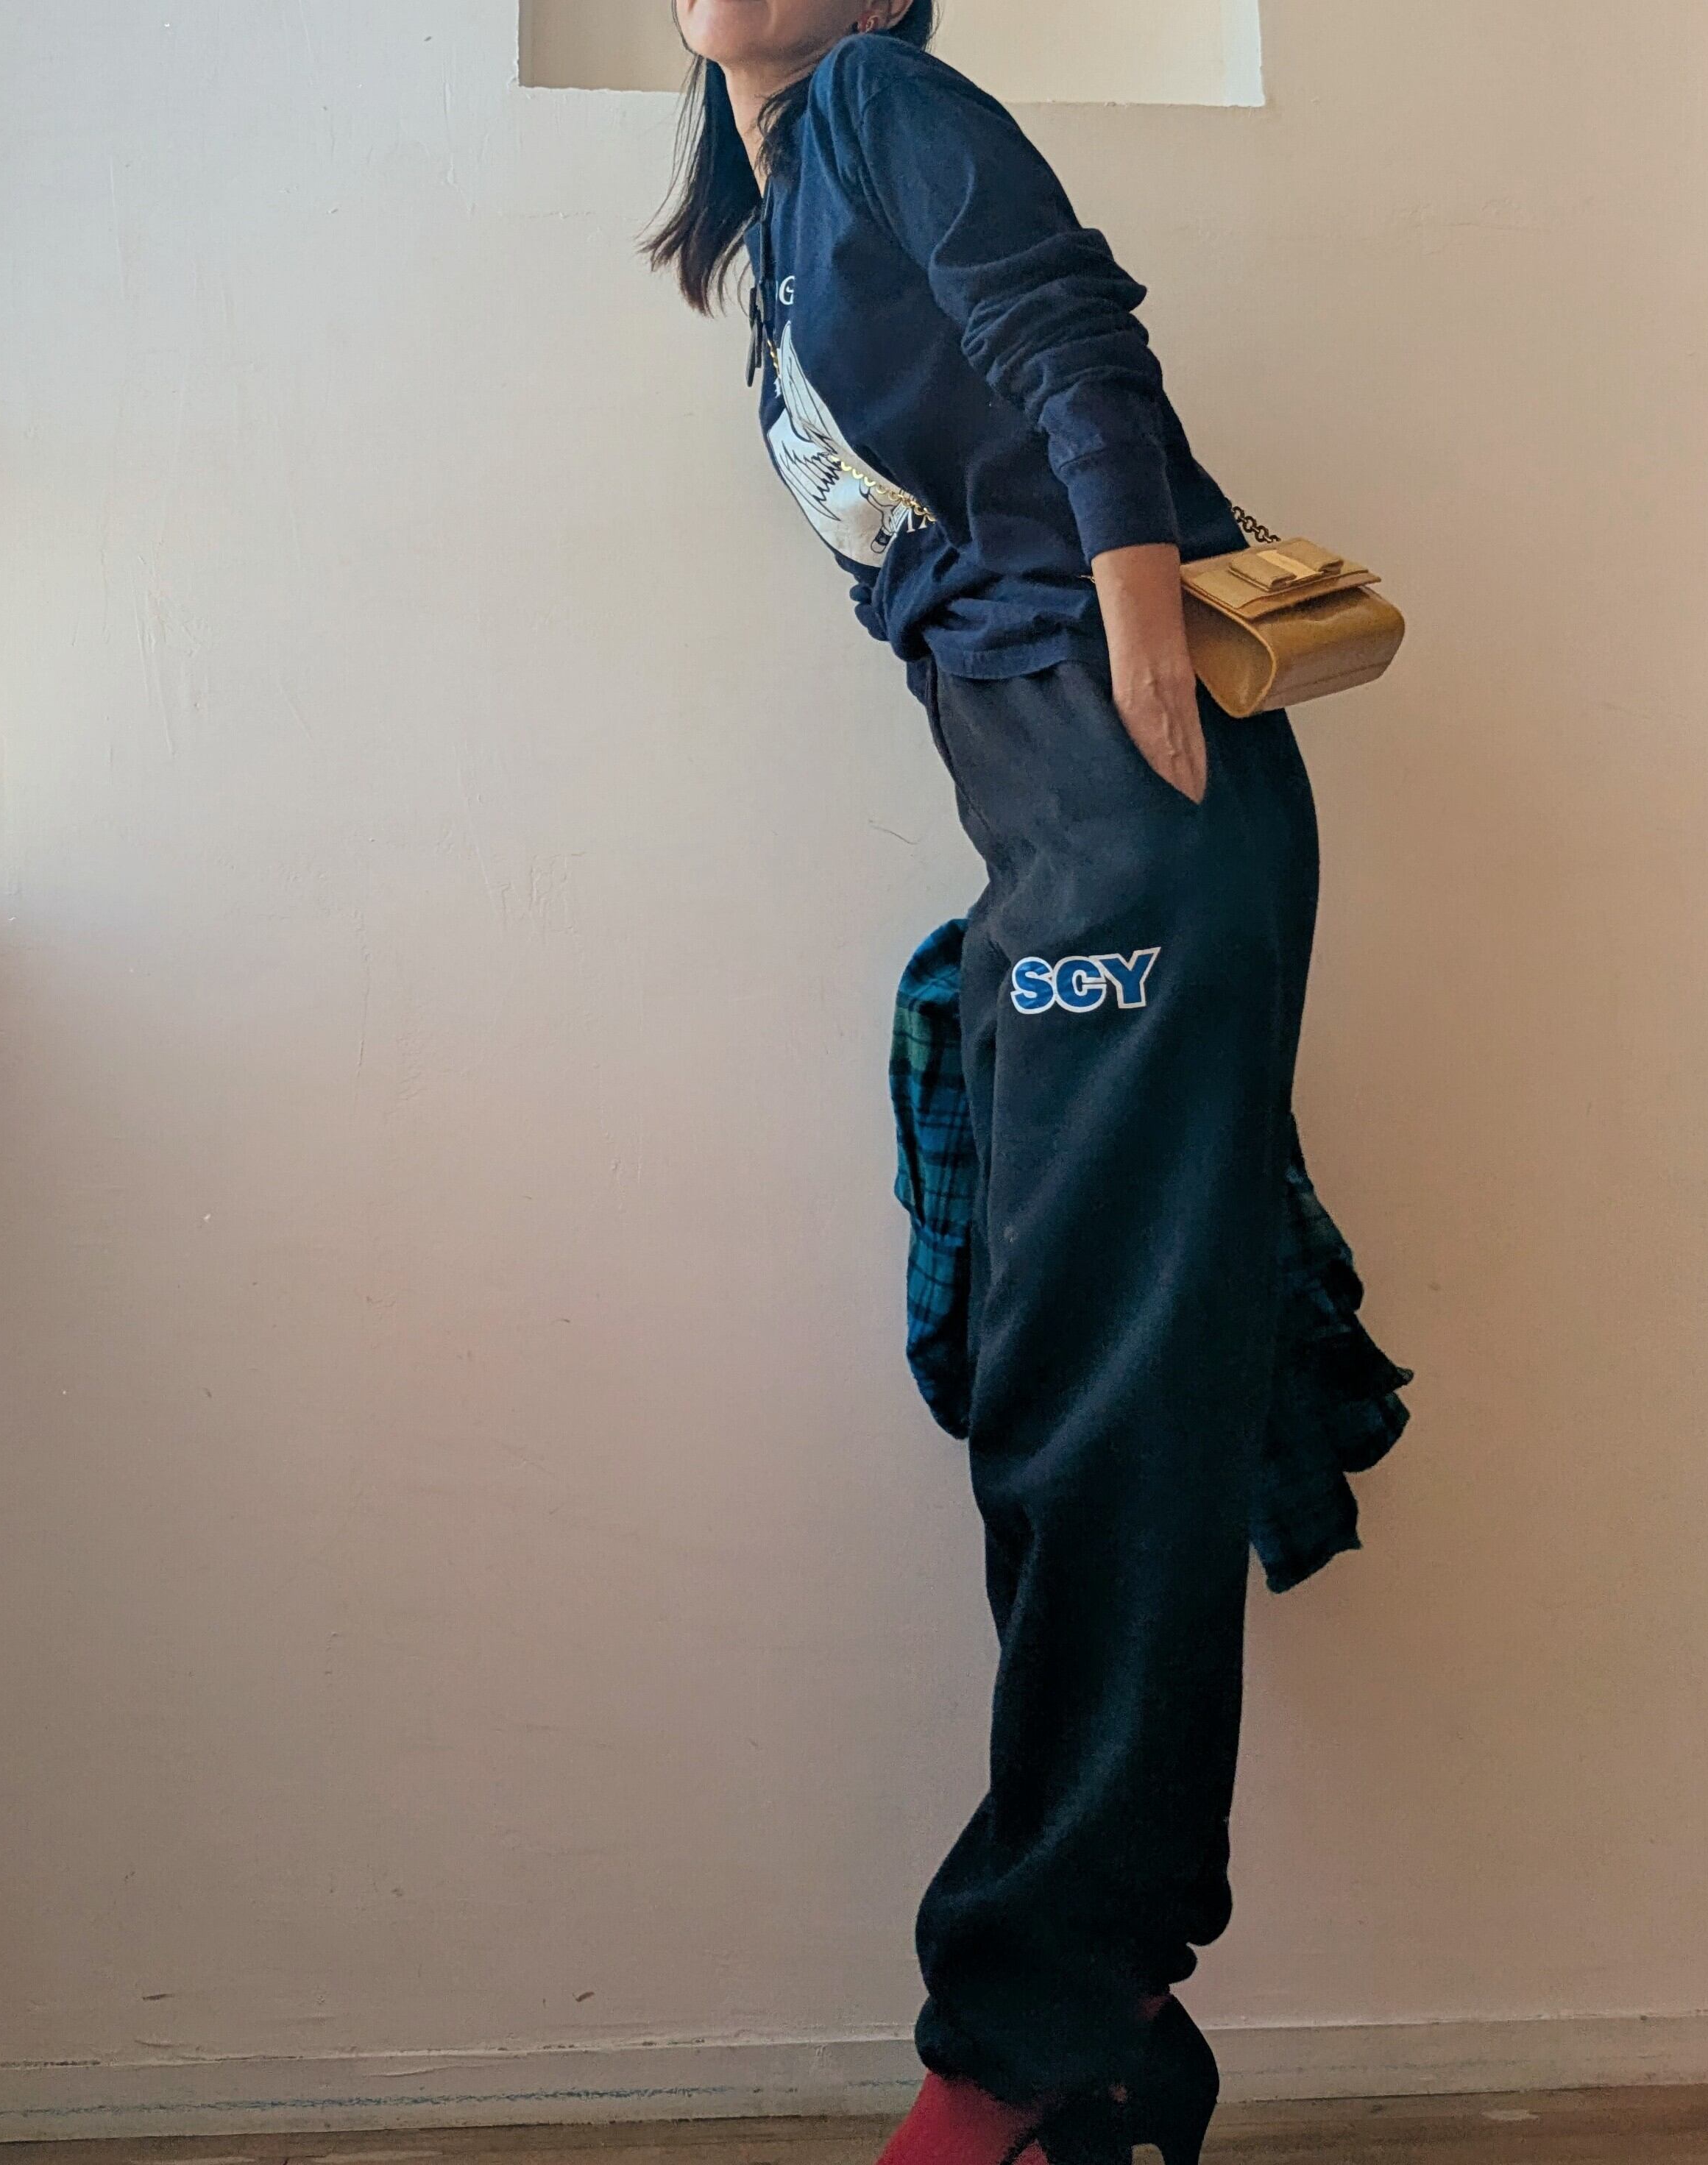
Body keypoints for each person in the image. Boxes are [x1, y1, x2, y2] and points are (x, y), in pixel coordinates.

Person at [645, 7, 1338, 2163]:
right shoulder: (780, 240)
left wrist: (1132, 620)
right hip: (1046, 841)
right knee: (1058, 1402)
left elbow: (1065, 327)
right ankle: (1109, 2039)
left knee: (1102, 1415)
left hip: (1137, 810)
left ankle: (1024, 2045)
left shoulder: (879, 98)